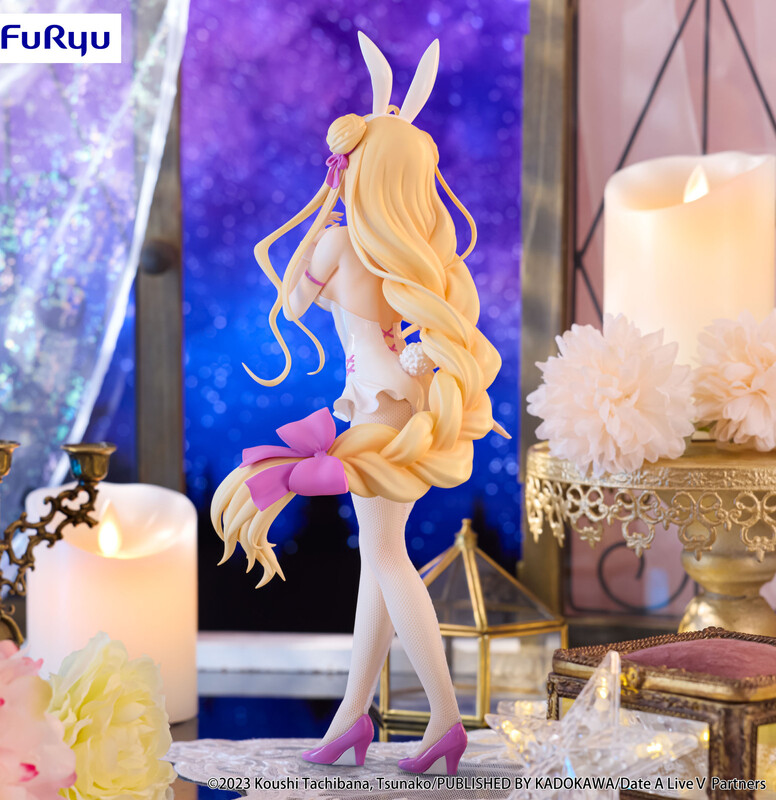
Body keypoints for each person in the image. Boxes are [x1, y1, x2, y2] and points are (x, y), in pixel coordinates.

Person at [212, 32, 505, 776]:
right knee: (381, 559)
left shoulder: (340, 245)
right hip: (403, 402)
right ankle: (353, 714)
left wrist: (321, 210)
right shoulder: (414, 254)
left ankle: (444, 716)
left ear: (359, 173)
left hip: (376, 409)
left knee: (385, 559)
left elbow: (292, 302)